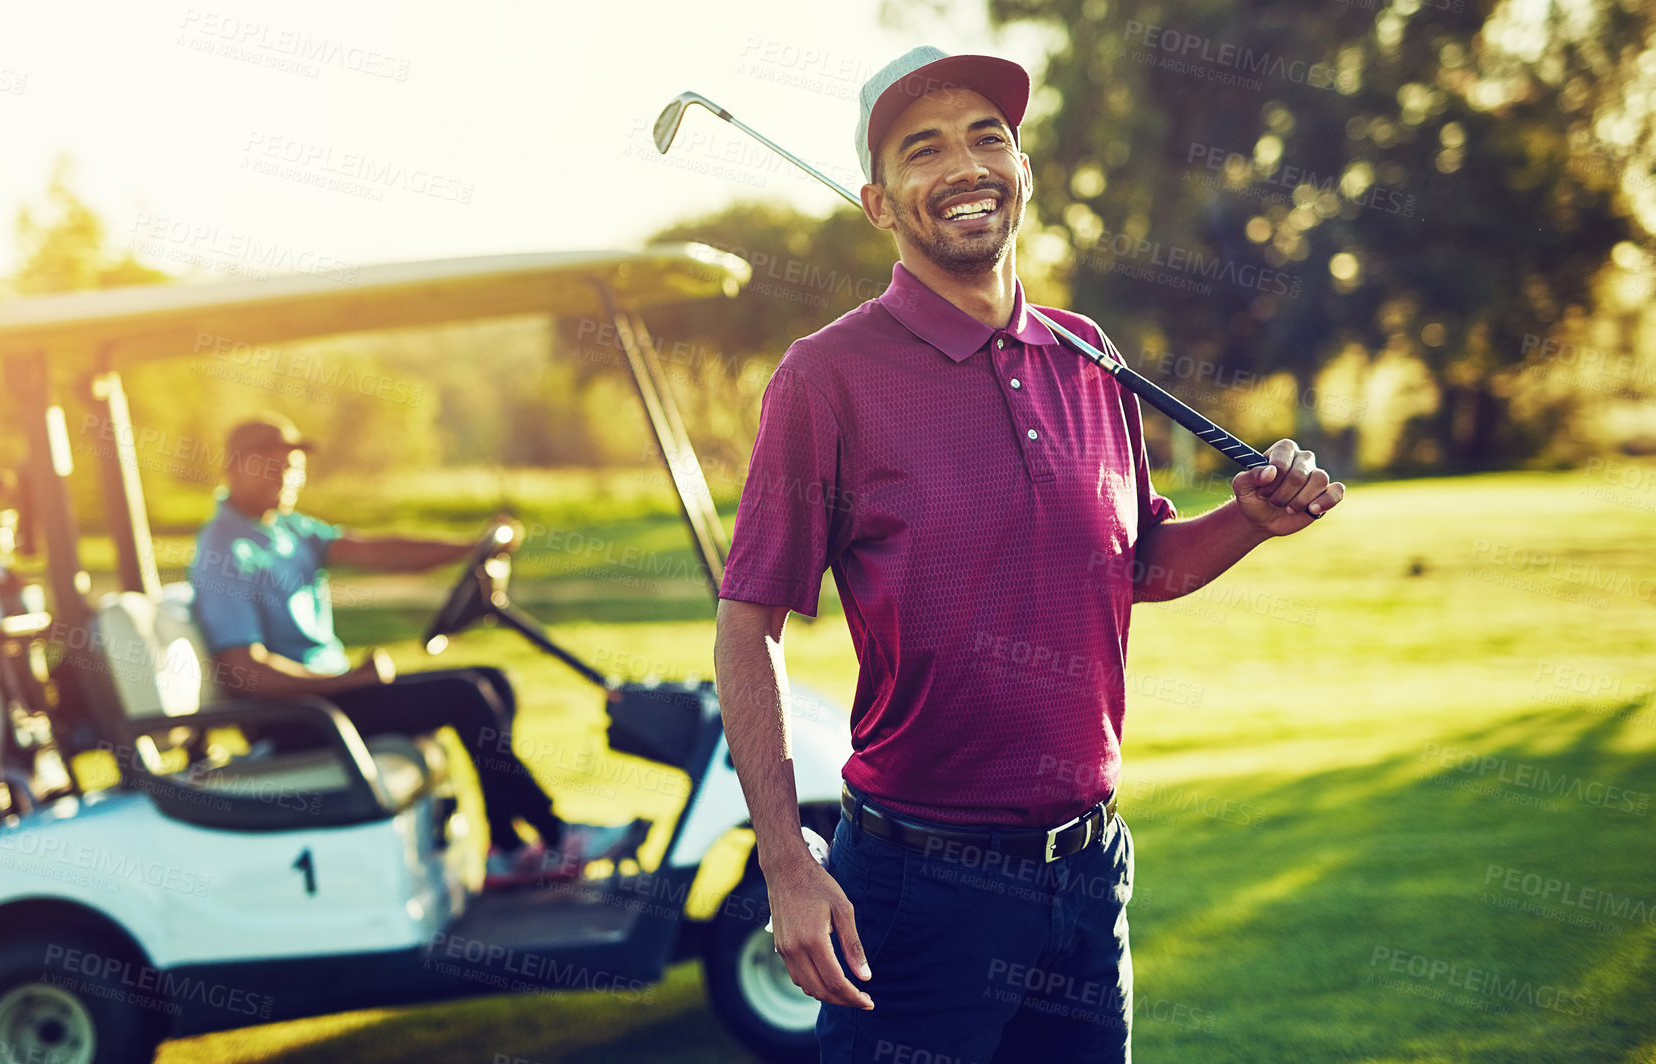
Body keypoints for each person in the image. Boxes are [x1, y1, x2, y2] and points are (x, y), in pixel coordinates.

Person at [711, 47, 1346, 1063]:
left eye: (988, 137)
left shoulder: (1088, 352)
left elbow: (1139, 568)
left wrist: (1248, 522)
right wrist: (786, 861)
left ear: (1023, 169)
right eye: (924, 150)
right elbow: (749, 621)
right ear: (879, 202)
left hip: (1088, 875)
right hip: (920, 891)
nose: (966, 165)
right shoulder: (825, 377)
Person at [187, 413, 647, 887]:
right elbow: (247, 673)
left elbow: (379, 550)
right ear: (234, 467)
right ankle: (552, 834)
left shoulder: (287, 529)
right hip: (295, 717)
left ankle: (509, 848)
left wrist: (469, 547)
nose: (285, 476)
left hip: (326, 700)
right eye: (269, 464)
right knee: (463, 695)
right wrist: (348, 680)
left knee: (493, 680)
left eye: (292, 466)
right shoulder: (225, 550)